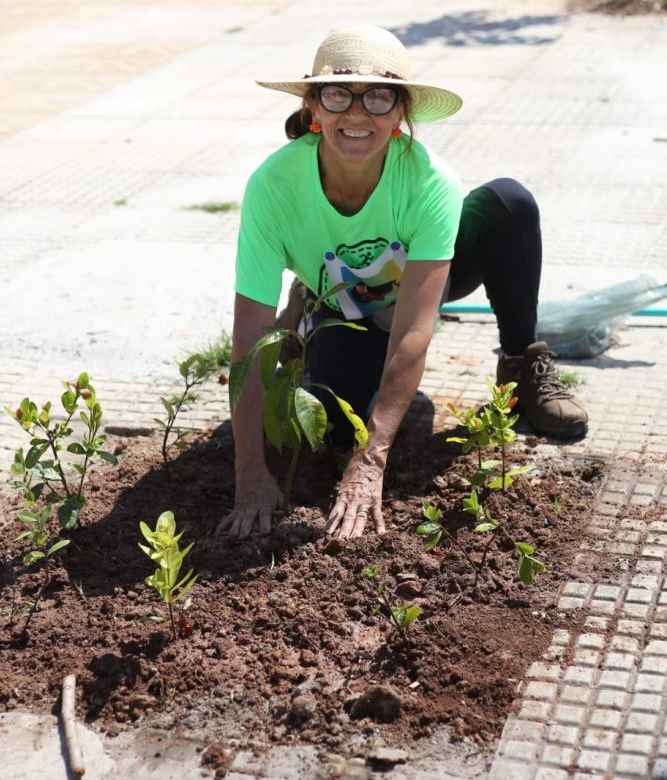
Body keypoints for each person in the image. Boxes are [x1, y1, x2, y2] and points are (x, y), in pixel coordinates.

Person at [217, 25, 587, 540]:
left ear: (400, 116)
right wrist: (250, 473)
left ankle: (522, 366)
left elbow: (415, 330)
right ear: (313, 109)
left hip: (425, 278)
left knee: (509, 202)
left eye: (379, 97)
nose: (357, 112)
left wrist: (373, 460)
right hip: (343, 302)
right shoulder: (272, 186)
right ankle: (309, 306)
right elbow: (249, 337)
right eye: (338, 93)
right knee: (337, 425)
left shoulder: (429, 180)